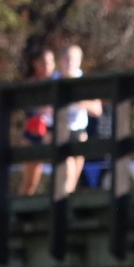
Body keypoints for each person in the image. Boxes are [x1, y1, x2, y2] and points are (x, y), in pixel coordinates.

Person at [57, 44, 102, 195]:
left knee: (74, 177)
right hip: (60, 131)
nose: (70, 62)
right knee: (67, 173)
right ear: (61, 60)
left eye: (74, 59)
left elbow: (97, 109)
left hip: (80, 132)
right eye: (67, 58)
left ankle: (66, 206)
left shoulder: (85, 82)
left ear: (80, 61)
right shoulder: (54, 80)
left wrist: (76, 100)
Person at [19, 47, 58, 196]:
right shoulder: (29, 85)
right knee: (30, 181)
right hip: (33, 132)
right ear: (35, 63)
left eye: (51, 62)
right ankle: (23, 208)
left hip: (53, 131)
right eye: (43, 62)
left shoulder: (58, 81)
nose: (47, 66)